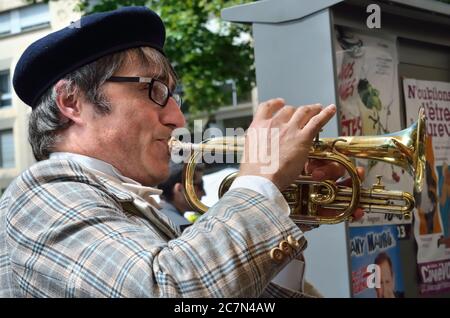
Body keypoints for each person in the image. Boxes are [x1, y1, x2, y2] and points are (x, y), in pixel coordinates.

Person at [0, 6, 361, 297]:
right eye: (154, 90)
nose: (177, 117)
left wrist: (281, 213)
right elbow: (170, 291)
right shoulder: (44, 194)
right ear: (72, 101)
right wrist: (259, 184)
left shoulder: (120, 201)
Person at [158, 162, 205, 232]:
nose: (204, 193)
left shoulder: (158, 216)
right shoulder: (182, 227)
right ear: (179, 189)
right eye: (200, 186)